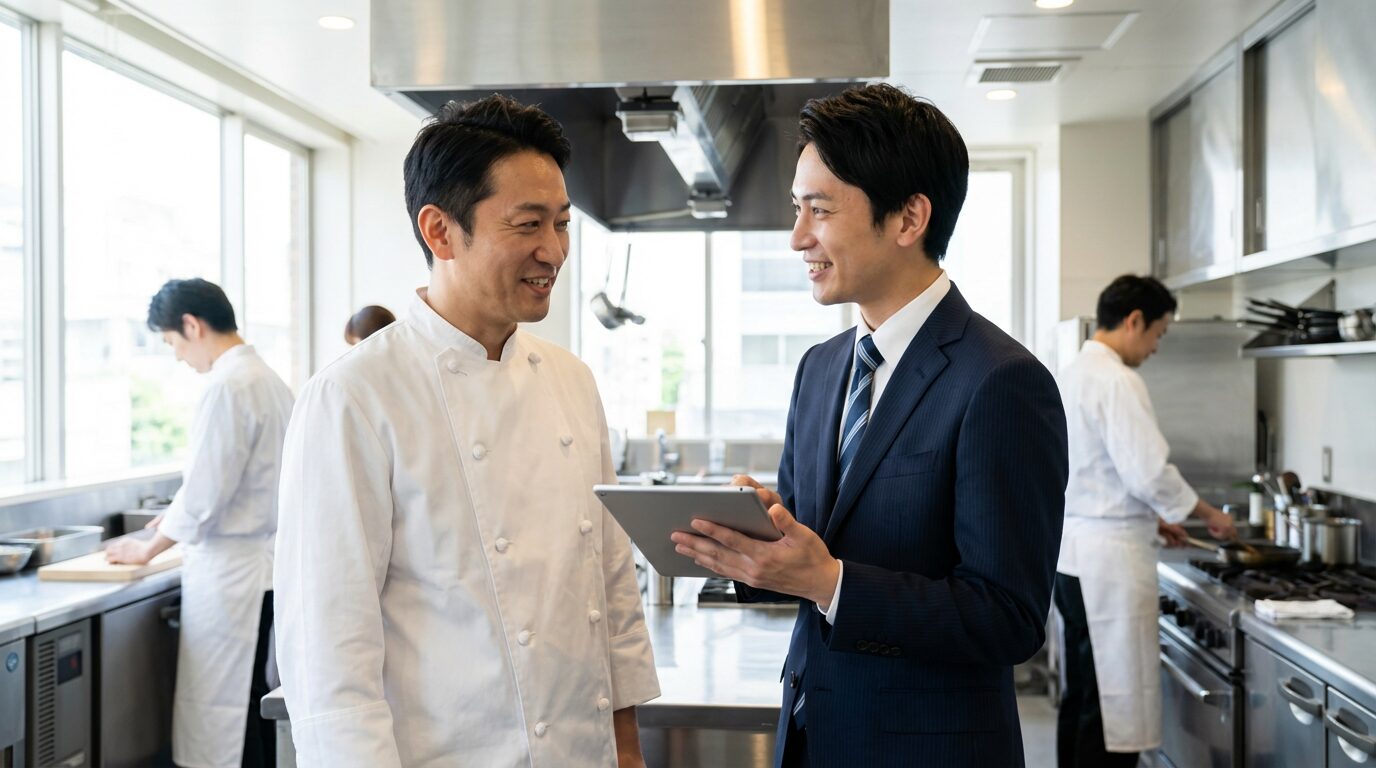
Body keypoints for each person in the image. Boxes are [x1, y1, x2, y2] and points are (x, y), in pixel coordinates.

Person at [672, 84, 1069, 767]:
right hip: (813, 735)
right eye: (798, 209)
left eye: (820, 211)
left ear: (909, 217)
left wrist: (832, 582)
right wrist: (757, 537)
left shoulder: (1002, 382)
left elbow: (1009, 618)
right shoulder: (821, 369)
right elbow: (813, 548)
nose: (798, 237)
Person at [274, 94, 659, 767]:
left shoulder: (572, 381)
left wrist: (626, 752)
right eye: (527, 224)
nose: (553, 251)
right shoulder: (354, 397)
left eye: (562, 224)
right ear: (440, 231)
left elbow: (610, 587)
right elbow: (330, 656)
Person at [106, 277, 293, 768]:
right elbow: (234, 480)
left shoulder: (228, 385)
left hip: (235, 578)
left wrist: (148, 547)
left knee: (231, 715)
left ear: (192, 325)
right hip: (262, 574)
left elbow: (207, 493)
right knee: (251, 708)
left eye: (172, 343)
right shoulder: (269, 380)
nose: (177, 357)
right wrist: (172, 517)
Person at [1053, 275, 1237, 767]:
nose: (1156, 347)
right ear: (1134, 321)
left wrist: (1154, 519)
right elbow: (1149, 471)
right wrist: (1208, 514)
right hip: (1107, 563)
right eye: (1158, 334)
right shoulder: (1117, 379)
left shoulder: (1071, 373)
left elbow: (1094, 471)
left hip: (1072, 558)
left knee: (1083, 693)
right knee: (1111, 701)